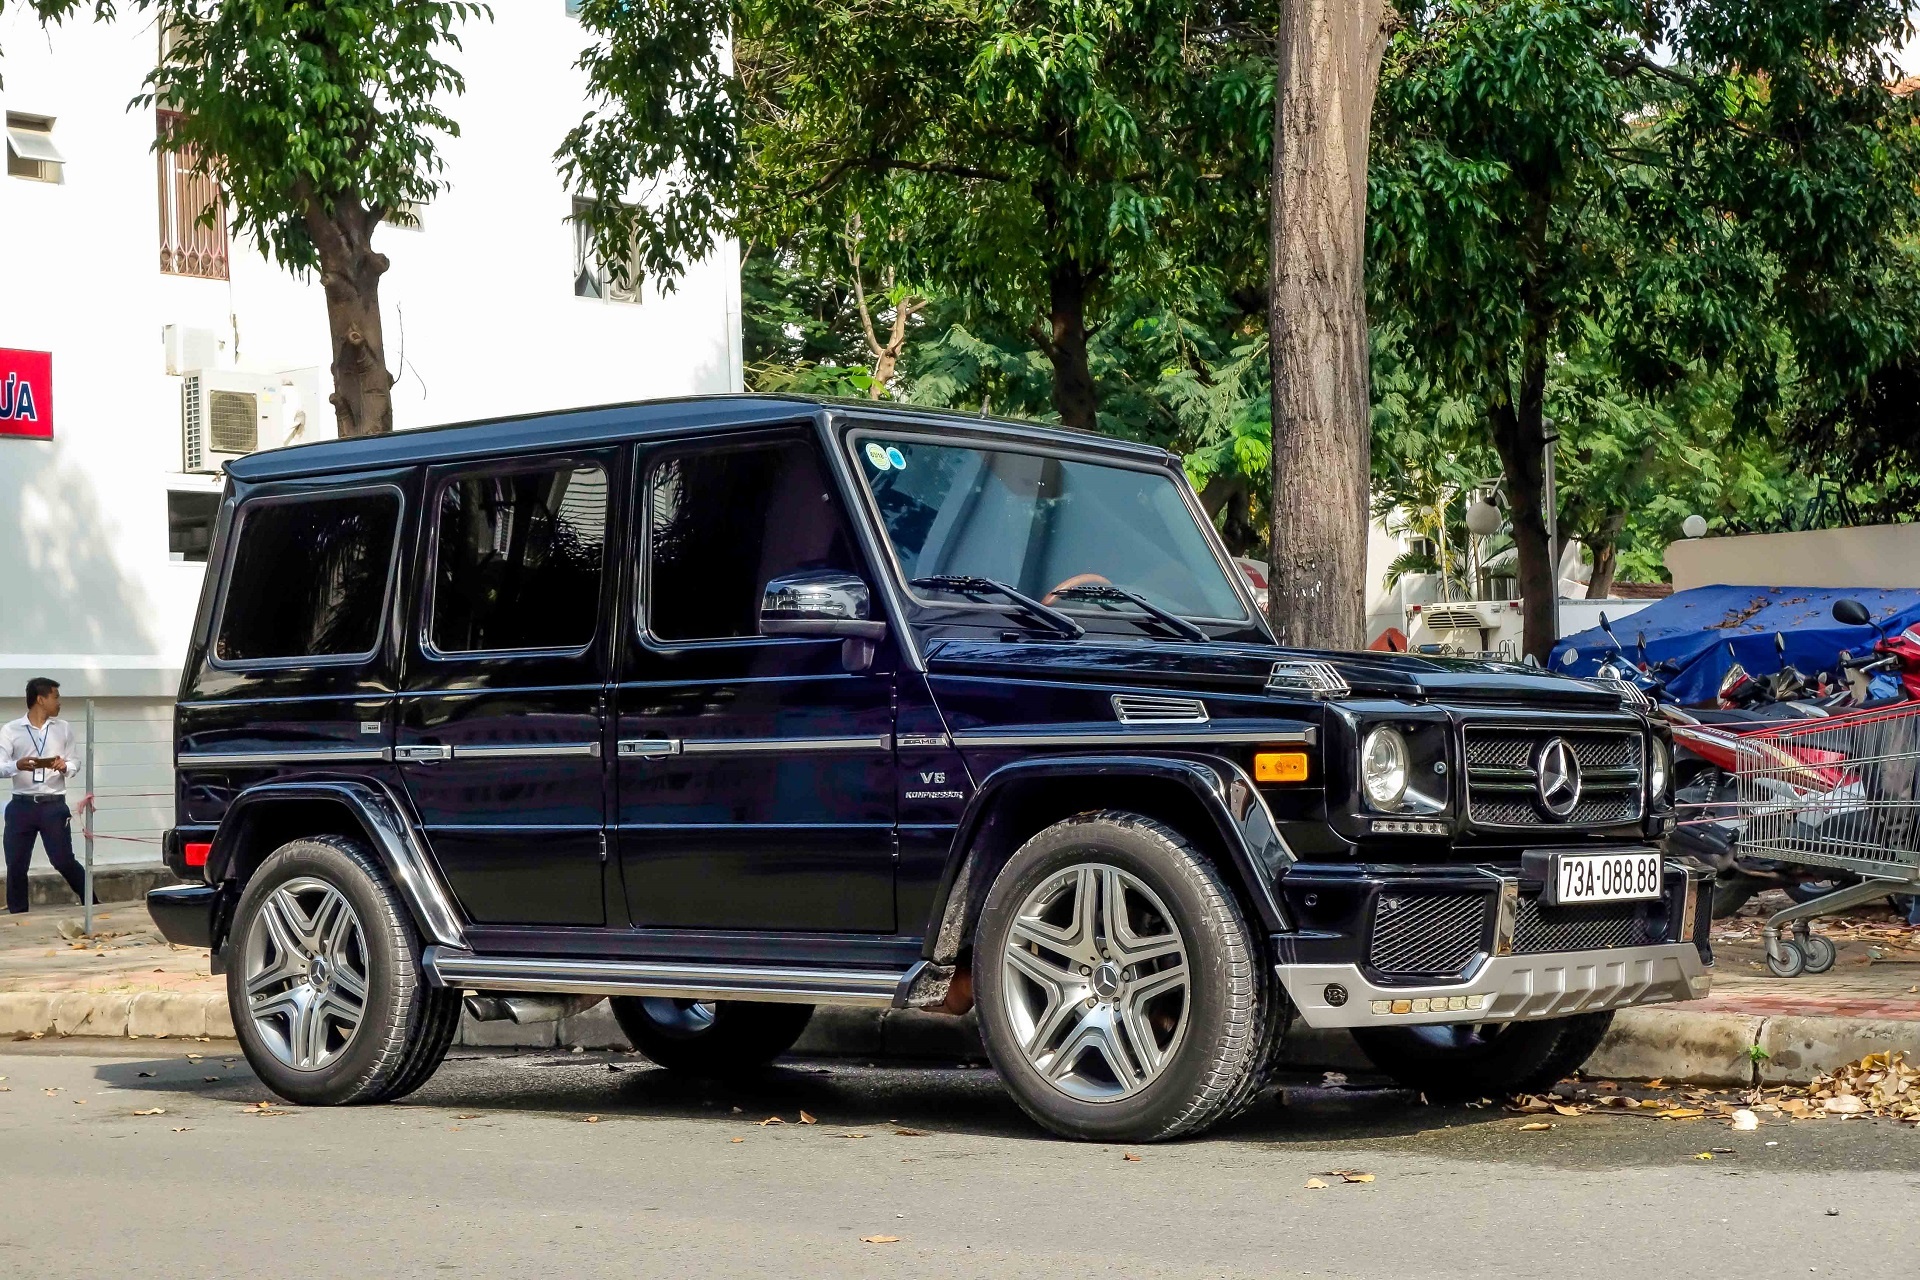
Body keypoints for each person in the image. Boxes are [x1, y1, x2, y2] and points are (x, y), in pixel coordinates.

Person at [2, 678, 87, 914]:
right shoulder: (11, 730)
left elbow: (75, 761)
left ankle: (91, 901)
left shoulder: (63, 728)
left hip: (53, 805)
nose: (59, 702)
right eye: (55, 697)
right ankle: (18, 915)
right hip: (21, 806)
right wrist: (17, 765)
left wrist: (65, 766)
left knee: (63, 860)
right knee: (16, 864)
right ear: (41, 699)